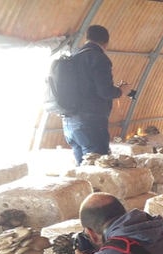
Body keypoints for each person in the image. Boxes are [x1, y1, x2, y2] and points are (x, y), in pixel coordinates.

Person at [63, 25, 133, 165]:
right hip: (91, 124)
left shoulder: (74, 56)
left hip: (70, 123)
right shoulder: (98, 58)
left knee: (83, 170)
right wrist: (122, 91)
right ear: (106, 42)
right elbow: (105, 91)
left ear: (87, 38)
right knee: (100, 169)